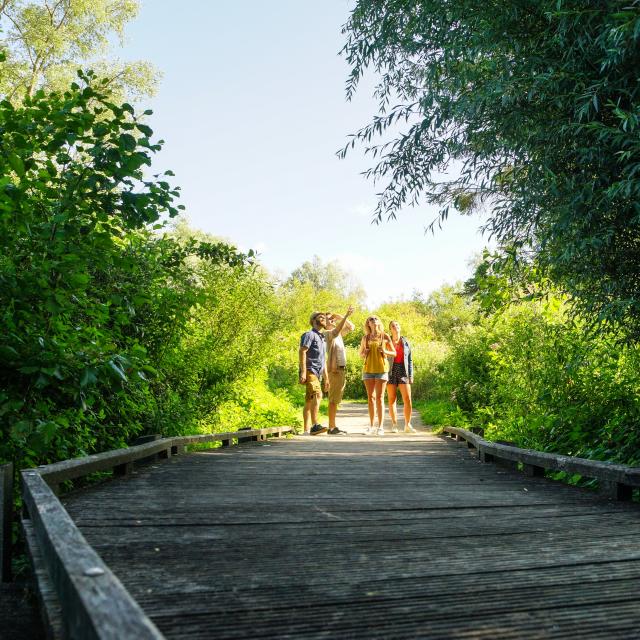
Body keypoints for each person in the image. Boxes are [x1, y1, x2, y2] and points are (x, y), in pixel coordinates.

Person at [359, 315, 396, 435]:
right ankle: (370, 426)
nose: (374, 320)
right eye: (371, 319)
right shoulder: (365, 337)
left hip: (381, 369)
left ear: (379, 322)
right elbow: (361, 354)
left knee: (379, 398)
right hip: (368, 369)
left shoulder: (384, 336)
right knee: (371, 398)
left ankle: (380, 427)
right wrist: (364, 352)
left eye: (376, 319)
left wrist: (384, 351)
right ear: (368, 324)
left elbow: (394, 353)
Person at [324, 305, 355, 434]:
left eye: (332, 319)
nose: (332, 320)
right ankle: (331, 427)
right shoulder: (327, 334)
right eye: (328, 319)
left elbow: (351, 327)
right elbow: (336, 331)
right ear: (323, 323)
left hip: (341, 369)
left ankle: (333, 426)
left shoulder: (338, 334)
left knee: (336, 399)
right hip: (335, 369)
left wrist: (339, 316)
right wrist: (346, 315)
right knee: (333, 399)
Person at [299, 311, 329, 435]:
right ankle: (315, 425)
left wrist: (326, 378)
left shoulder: (322, 338)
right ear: (313, 320)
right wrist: (303, 372)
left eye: (324, 317)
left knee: (309, 400)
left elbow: (323, 360)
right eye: (320, 317)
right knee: (317, 394)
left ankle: (306, 429)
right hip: (310, 370)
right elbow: (302, 351)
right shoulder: (309, 335)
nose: (323, 318)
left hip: (318, 372)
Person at [387, 320, 417, 433]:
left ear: (400, 328)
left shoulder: (406, 342)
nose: (395, 327)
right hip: (391, 370)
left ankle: (407, 424)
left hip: (403, 371)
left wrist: (411, 375)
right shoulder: (386, 341)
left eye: (397, 325)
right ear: (390, 329)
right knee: (391, 399)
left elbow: (410, 360)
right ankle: (394, 424)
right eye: (393, 326)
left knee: (407, 399)